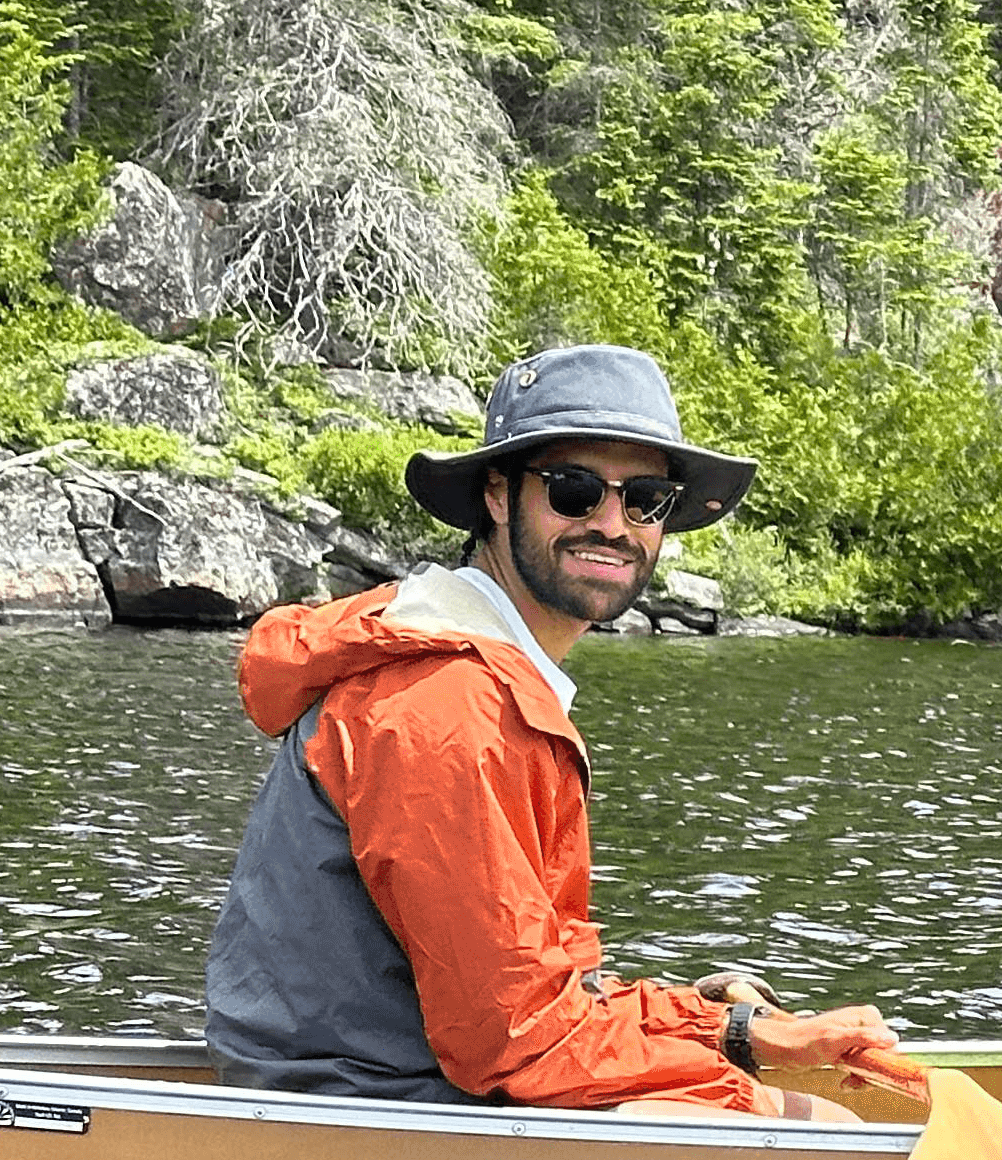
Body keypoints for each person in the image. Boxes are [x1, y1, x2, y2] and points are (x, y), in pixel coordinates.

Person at [204, 343, 907, 1119]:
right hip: (363, 1118)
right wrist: (745, 1085)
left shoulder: (476, 675)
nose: (611, 524)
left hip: (394, 1089)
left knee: (783, 1091)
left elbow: (533, 991)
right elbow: (517, 1041)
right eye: (574, 491)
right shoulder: (449, 708)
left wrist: (737, 1031)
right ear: (499, 497)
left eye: (644, 498)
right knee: (825, 1124)